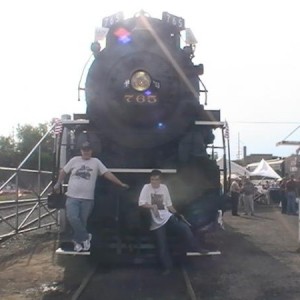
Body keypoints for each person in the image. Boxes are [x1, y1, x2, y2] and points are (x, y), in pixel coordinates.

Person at [53, 141, 129, 252]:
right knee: (73, 217)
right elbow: (64, 171)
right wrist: (58, 183)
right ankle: (85, 237)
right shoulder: (74, 160)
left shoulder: (96, 162)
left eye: (88, 150)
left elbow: (107, 173)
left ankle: (77, 243)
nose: (86, 152)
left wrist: (120, 183)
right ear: (81, 151)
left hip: (87, 199)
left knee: (82, 222)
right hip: (72, 196)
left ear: (91, 151)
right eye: (84, 150)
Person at [138, 169, 208, 274]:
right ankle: (168, 268)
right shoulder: (146, 188)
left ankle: (196, 248)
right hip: (156, 222)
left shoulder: (164, 188)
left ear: (160, 180)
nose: (154, 182)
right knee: (162, 246)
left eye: (156, 180)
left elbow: (169, 205)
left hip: (167, 216)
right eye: (152, 180)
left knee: (184, 227)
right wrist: (152, 206)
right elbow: (141, 203)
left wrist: (178, 214)